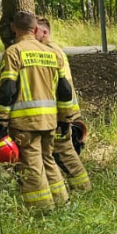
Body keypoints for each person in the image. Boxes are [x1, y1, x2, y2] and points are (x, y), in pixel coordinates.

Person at [0, 10, 80, 211]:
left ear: (14, 27)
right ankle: (62, 204)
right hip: (50, 121)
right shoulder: (51, 53)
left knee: (30, 165)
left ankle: (42, 211)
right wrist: (65, 118)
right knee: (48, 160)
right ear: (35, 28)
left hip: (24, 122)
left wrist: (0, 119)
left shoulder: (14, 52)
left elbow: (7, 89)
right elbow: (65, 90)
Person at [33, 17, 91, 192]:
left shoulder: (50, 52)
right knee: (60, 152)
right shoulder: (54, 50)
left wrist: (63, 117)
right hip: (64, 111)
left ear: (45, 32)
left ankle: (82, 188)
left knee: (63, 151)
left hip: (62, 113)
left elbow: (60, 87)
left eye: (34, 31)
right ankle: (75, 188)